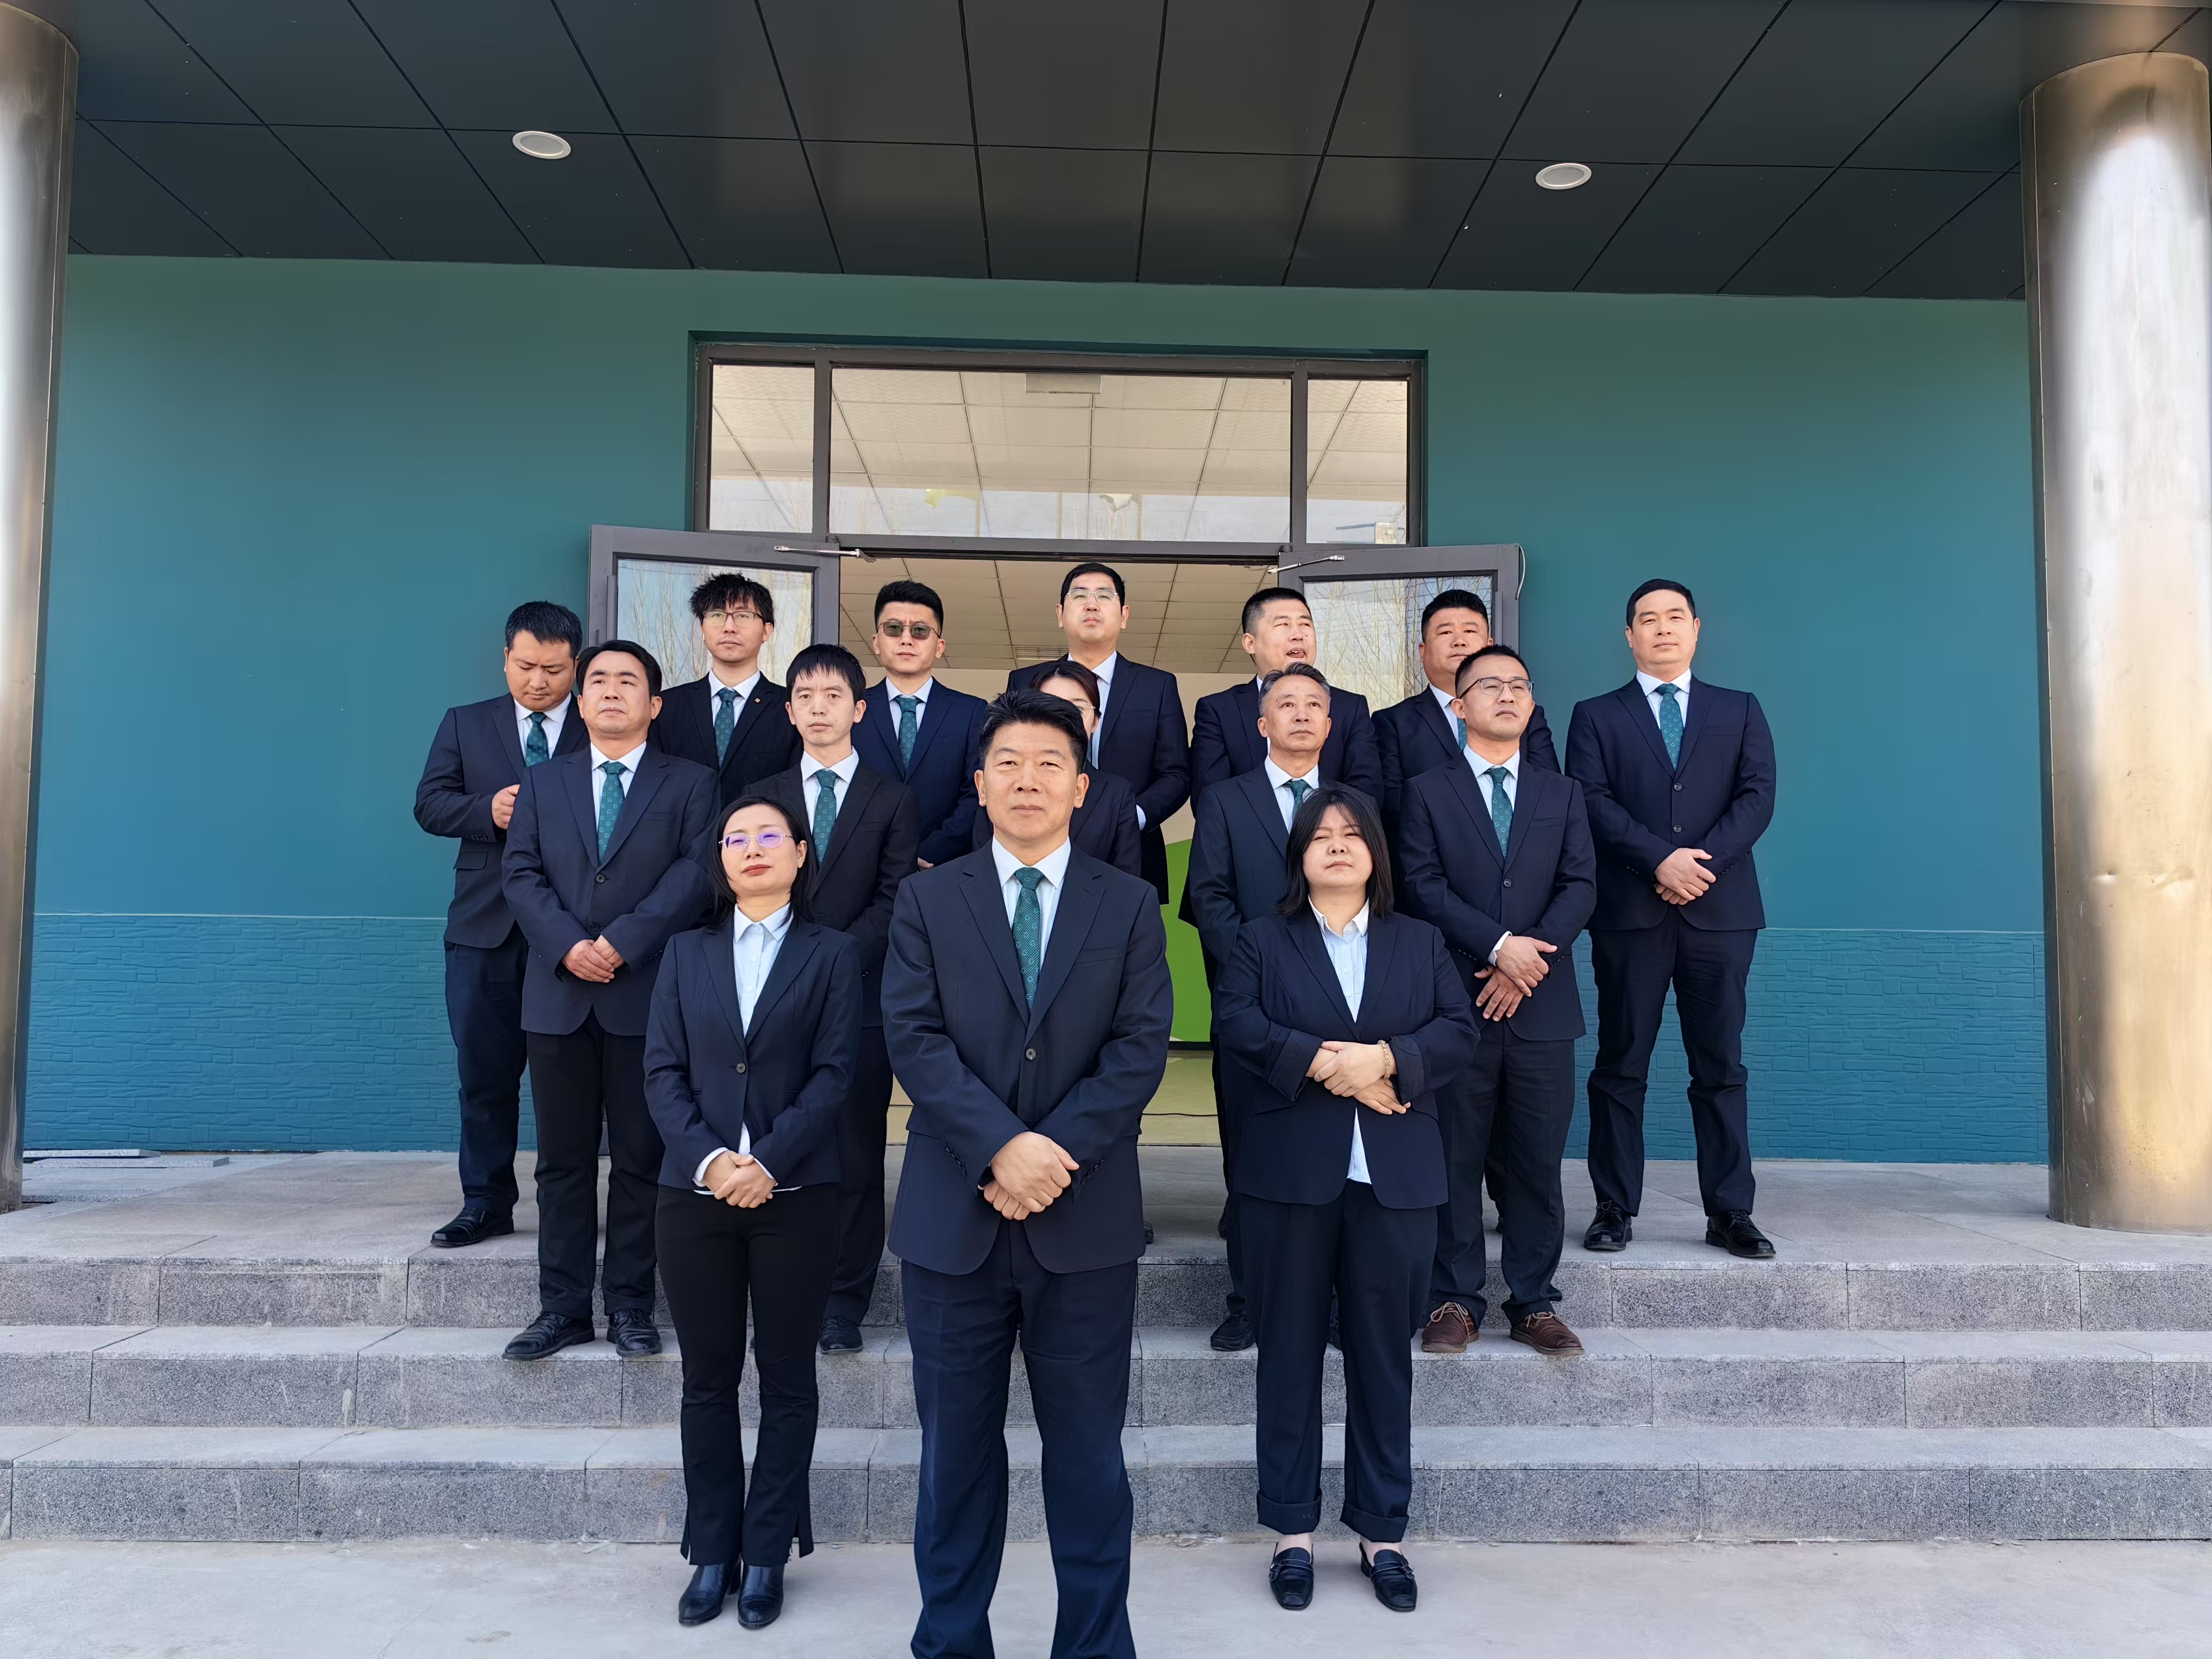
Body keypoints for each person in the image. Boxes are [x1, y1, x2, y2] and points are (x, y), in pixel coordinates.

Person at [881, 687, 1173, 1659]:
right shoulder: (928, 899)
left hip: (1083, 1225)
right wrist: (1001, 1148)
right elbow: (914, 1038)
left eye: (1050, 764)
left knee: (1088, 1460)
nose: (1027, 780)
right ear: (978, 783)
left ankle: (1094, 1646)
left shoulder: (1129, 903)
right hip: (953, 1223)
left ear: (1083, 788)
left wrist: (1051, 1155)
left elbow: (1139, 1048)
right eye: (1007, 762)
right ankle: (951, 1642)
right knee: (954, 1460)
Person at [1213, 787, 1477, 1615]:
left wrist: (1386, 1061)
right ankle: (1292, 1534)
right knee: (1288, 1355)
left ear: (1375, 853)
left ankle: (1381, 1533)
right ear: (1299, 856)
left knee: (1382, 1359)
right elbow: (1236, 1022)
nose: (1336, 845)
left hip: (1393, 1179)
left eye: (1352, 834)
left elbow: (1458, 1030)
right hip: (1289, 1180)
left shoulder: (1419, 940)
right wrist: (1332, 1065)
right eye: (1320, 835)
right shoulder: (1262, 939)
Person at [645, 792, 862, 1631]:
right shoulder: (684, 952)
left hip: (795, 1197)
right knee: (707, 1381)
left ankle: (767, 1550)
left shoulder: (833, 954)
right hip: (692, 1196)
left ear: (801, 853)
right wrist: (711, 1161)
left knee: (787, 1379)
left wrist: (766, 1162)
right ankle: (712, 1550)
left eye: (771, 834)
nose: (753, 848)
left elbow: (835, 1075)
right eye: (736, 838)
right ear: (721, 860)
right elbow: (662, 1072)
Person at [499, 640, 717, 1361]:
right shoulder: (542, 783)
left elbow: (695, 875)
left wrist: (622, 941)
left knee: (639, 1160)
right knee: (561, 1164)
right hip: (558, 996)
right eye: (598, 681)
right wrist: (569, 945)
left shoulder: (691, 784)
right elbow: (521, 875)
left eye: (629, 681)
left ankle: (629, 1306)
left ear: (655, 704)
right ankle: (562, 1309)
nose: (612, 691)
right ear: (581, 701)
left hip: (646, 996)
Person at [1565, 580, 1778, 1259]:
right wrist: (1659, 860)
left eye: (1674, 617)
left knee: (1721, 1065)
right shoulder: (1596, 716)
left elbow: (1757, 796)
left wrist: (1699, 865)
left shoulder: (1738, 709)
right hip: (1631, 913)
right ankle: (1612, 1207)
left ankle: (1730, 1212)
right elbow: (1589, 799)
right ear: (1628, 636)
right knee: (1620, 1063)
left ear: (1695, 628)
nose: (1662, 628)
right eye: (1648, 619)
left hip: (1721, 912)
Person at [1398, 644, 1596, 1356]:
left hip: (1541, 1002)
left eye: (1518, 685)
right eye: (1489, 686)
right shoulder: (1426, 791)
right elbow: (1420, 885)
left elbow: (1581, 886)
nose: (1507, 695)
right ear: (1459, 706)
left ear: (1532, 704)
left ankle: (1534, 1302)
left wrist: (1525, 960)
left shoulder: (1561, 793)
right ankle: (1453, 1298)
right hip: (1457, 1003)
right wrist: (1497, 947)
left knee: (1536, 1160)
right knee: (1454, 1155)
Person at [754, 643, 921, 1354]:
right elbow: (746, 888)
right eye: (804, 696)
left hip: (862, 1001)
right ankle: (784, 1290)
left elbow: (895, 897)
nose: (818, 708)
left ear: (860, 709)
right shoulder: (761, 798)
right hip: (771, 1001)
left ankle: (844, 1304)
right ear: (790, 711)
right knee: (779, 1149)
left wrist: (830, 959)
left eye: (832, 696)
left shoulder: (893, 798)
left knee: (855, 1158)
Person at [413, 601, 588, 1249]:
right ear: (505, 658)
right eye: (526, 666)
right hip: (483, 928)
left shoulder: (597, 724)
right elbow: (430, 805)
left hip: (570, 931)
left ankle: (569, 1208)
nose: (538, 682)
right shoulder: (466, 723)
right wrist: (487, 809)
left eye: (554, 670)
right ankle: (485, 1202)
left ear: (576, 666)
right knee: (484, 1076)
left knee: (571, 1083)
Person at [1185, 662, 1337, 1352]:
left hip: (1340, 1010)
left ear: (1328, 724)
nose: (1300, 714)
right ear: (1262, 723)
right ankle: (1249, 1300)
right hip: (1251, 1010)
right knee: (1250, 1161)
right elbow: (1209, 897)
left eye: (1313, 705)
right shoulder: (1225, 800)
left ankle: (1329, 1301)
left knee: (1332, 1160)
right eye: (1286, 704)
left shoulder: (1351, 805)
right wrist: (1262, 974)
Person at [1006, 561, 1190, 903]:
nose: (1092, 604)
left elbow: (1176, 774)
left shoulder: (1157, 686)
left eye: (1105, 596)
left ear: (1124, 616)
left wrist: (1127, 818)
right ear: (1061, 614)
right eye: (1080, 596)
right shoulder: (1025, 681)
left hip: (1132, 854)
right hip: (1034, 848)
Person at [1374, 588, 1558, 834]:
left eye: (1470, 631)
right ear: (1423, 651)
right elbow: (1394, 809)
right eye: (1446, 632)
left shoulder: (1521, 714)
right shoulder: (1393, 722)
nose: (1459, 641)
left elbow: (1549, 792)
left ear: (1489, 645)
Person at [1188, 588, 1380, 801]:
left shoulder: (1350, 707)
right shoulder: (1219, 711)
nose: (1298, 635)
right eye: (1283, 625)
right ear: (1250, 643)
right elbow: (1210, 799)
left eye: (1305, 624)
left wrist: (1320, 822)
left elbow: (1366, 794)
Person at [854, 579, 988, 867]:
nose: (906, 639)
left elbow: (977, 793)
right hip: (862, 866)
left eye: (920, 631)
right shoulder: (852, 710)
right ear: (876, 642)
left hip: (943, 869)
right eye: (893, 629)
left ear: (939, 647)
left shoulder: (971, 712)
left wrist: (930, 853)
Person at [974, 658, 1141, 878]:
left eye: (1077, 708)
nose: (1061, 716)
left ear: (1096, 721)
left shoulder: (1117, 794)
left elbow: (1126, 881)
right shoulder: (1001, 781)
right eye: (1049, 704)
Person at [649, 573, 801, 804]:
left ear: (767, 630)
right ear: (702, 627)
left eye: (743, 616)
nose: (729, 627)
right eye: (717, 615)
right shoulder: (667, 707)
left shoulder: (790, 709)